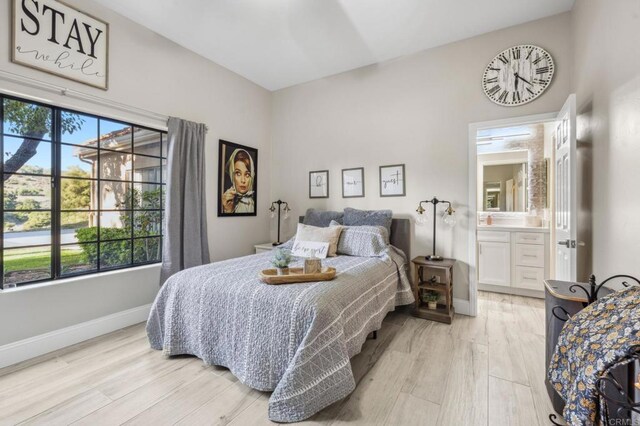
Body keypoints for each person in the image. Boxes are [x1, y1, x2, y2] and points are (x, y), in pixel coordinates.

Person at [221, 148, 255, 213]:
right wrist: (228, 210)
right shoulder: (227, 200)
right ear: (232, 175)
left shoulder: (253, 205)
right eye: (238, 173)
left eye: (247, 175)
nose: (243, 180)